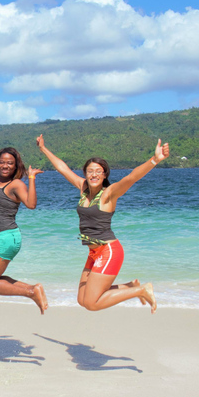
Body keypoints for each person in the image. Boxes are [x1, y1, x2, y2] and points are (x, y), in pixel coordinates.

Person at [35, 134, 167, 313]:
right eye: (90, 171)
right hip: (93, 252)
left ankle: (142, 290)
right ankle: (131, 286)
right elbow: (63, 169)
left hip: (108, 250)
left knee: (91, 303)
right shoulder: (83, 189)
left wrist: (154, 160)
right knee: (82, 299)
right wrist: (43, 149)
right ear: (85, 174)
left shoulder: (109, 194)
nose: (94, 174)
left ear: (104, 174)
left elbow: (131, 178)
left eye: (98, 171)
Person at [0, 147, 48, 313]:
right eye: (2, 162)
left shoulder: (15, 184)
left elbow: (31, 204)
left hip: (6, 237)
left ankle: (31, 292)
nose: (5, 166)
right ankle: (33, 289)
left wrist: (31, 178)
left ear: (16, 166)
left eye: (10, 163)